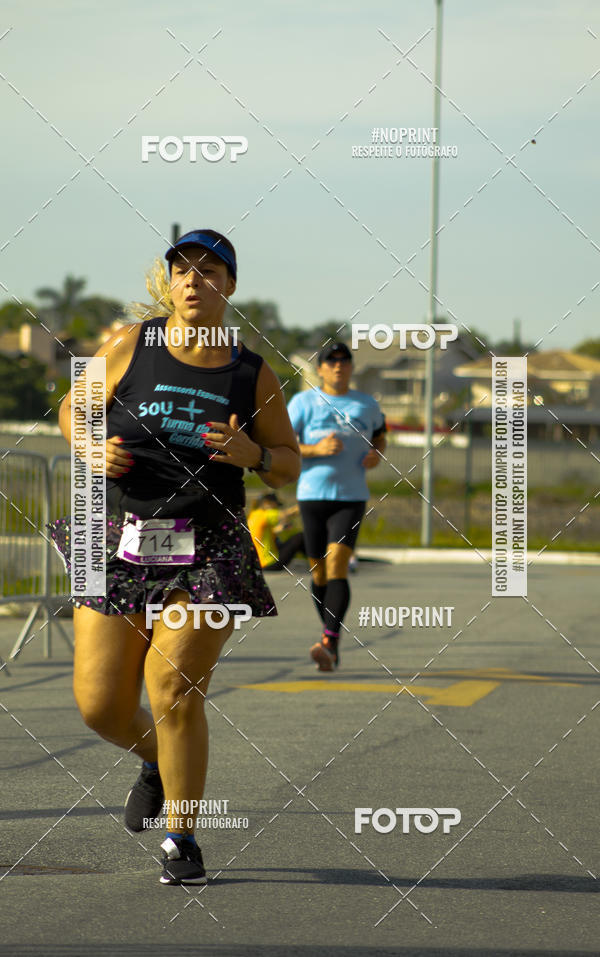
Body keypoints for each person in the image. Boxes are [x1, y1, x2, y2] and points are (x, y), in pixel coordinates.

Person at [49, 229, 300, 884]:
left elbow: (289, 462)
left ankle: (181, 838)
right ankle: (160, 762)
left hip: (207, 544)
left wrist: (258, 457)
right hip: (116, 533)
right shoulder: (134, 345)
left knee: (174, 687)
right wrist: (89, 447)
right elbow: (73, 409)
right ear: (170, 282)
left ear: (230, 285)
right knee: (101, 704)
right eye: (182, 269)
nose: (193, 280)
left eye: (209, 269)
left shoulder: (251, 373)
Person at [287, 342, 386, 671]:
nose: (339, 366)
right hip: (312, 494)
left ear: (351, 366)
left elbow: (381, 436)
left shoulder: (366, 404)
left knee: (337, 567)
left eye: (345, 360)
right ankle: (332, 641)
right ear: (321, 368)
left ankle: (329, 640)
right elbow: (284, 445)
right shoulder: (303, 402)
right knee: (319, 574)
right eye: (332, 361)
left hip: (351, 497)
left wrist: (376, 454)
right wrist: (315, 449)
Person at [247, 493, 305, 570]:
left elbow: (263, 535)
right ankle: (317, 560)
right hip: (269, 563)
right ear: (267, 503)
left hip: (258, 563)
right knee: (299, 537)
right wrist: (306, 504)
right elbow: (287, 514)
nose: (277, 508)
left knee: (277, 540)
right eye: (276, 505)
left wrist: (281, 528)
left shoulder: (253, 515)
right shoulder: (263, 514)